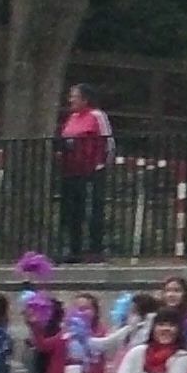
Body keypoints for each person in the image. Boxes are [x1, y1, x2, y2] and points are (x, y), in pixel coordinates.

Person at [54, 84, 114, 261]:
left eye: (74, 96)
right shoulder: (72, 118)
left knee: (93, 208)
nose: (70, 100)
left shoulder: (96, 116)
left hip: (91, 170)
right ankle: (74, 249)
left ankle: (95, 249)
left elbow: (108, 142)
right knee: (73, 210)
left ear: (85, 99)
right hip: (71, 170)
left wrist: (101, 165)